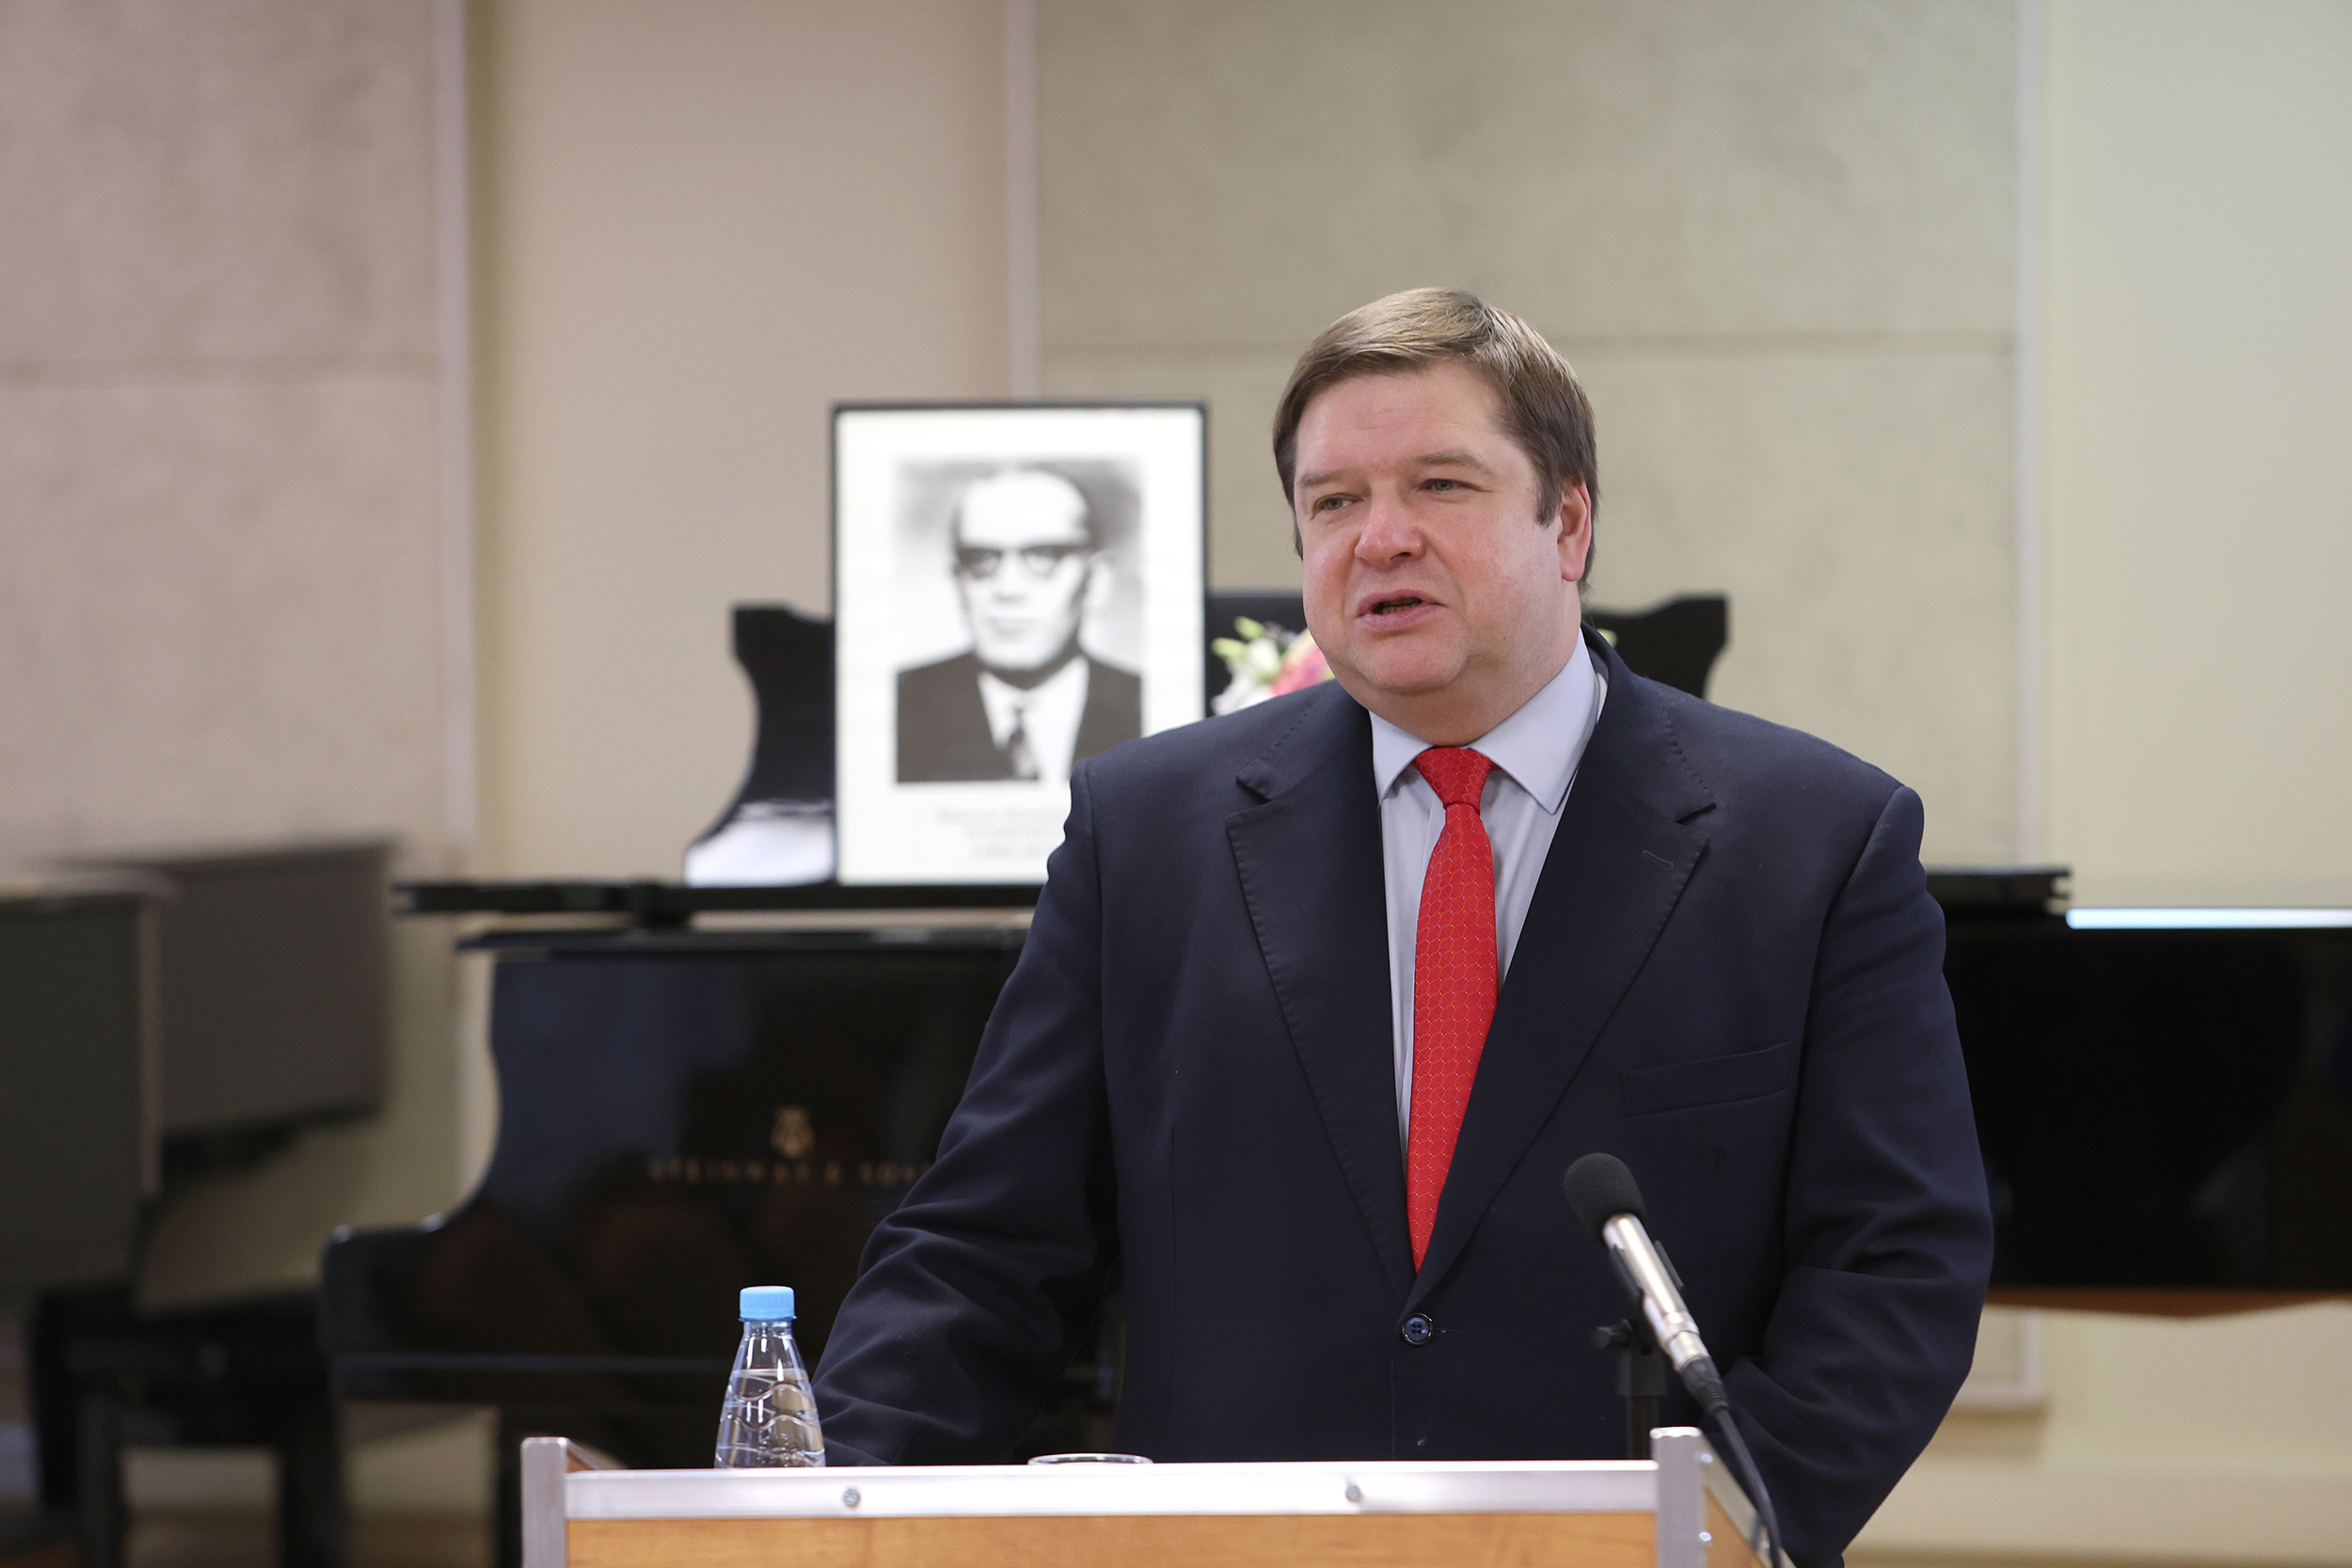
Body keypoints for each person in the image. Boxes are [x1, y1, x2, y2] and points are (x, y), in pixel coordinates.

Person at [818, 290, 1993, 1566]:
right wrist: (817, 1518)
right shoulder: (1145, 832)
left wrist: (1711, 1527)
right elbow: (985, 1248)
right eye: (1333, 501)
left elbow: (1894, 1263)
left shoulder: (1815, 840)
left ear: (1569, 522)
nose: (1380, 538)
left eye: (1440, 484)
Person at [896, 467, 1141, 784]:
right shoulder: (894, 707)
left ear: (1096, 581)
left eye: (1044, 556)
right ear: (958, 582)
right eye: (981, 560)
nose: (1007, 589)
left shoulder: (1151, 708)